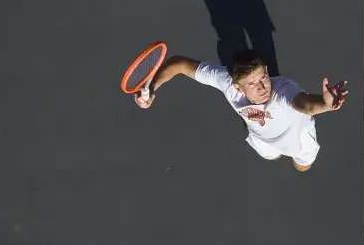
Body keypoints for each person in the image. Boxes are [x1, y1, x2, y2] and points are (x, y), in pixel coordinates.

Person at [135, 49, 347, 172]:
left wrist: (326, 104)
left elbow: (305, 105)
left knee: (301, 167)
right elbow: (179, 64)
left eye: (263, 77)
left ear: (266, 70)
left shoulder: (284, 90)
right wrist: (151, 89)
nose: (262, 87)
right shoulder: (226, 83)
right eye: (252, 84)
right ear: (237, 87)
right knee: (271, 157)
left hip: (297, 138)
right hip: (261, 138)